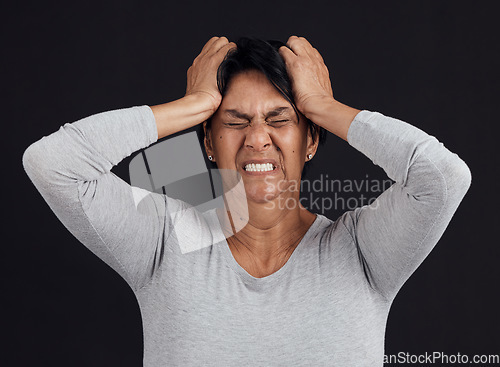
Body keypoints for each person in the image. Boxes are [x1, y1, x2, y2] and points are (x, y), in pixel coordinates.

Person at [22, 36, 471, 366]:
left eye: (280, 119)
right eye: (235, 121)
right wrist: (193, 103)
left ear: (311, 139)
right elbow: (54, 163)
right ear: (209, 142)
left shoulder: (361, 251)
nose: (258, 138)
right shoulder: (163, 241)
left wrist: (322, 105)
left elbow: (443, 178)